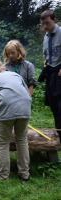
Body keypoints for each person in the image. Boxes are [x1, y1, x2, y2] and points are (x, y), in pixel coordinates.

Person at [39, 10, 61, 140]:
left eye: (47, 23)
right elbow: (45, 54)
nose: (45, 26)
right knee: (53, 103)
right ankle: (59, 131)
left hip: (60, 71)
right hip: (50, 72)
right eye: (43, 24)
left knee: (60, 104)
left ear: (54, 20)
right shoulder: (46, 36)